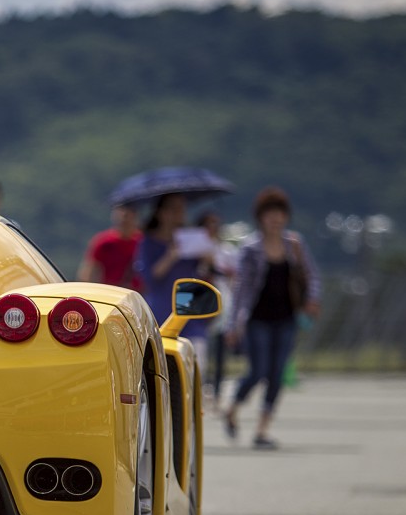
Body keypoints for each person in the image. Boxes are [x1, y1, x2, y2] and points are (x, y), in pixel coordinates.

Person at [223, 187, 320, 449]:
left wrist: (312, 299)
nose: (275, 219)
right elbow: (241, 289)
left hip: (286, 318)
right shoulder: (250, 248)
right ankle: (232, 408)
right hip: (257, 319)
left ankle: (262, 429)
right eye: (270, 214)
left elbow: (311, 276)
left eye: (279, 213)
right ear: (261, 217)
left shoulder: (295, 244)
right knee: (258, 371)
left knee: (277, 374)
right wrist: (233, 325)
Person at [133, 193, 210, 356]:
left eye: (182, 208)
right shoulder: (147, 242)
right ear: (160, 213)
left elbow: (204, 272)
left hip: (189, 312)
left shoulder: (192, 238)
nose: (179, 213)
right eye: (174, 209)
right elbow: (149, 278)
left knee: (196, 366)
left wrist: (208, 258)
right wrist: (171, 256)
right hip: (161, 313)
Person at [198, 211, 239, 410]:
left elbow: (235, 276)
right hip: (201, 299)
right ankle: (201, 387)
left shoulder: (226, 250)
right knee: (201, 347)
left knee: (220, 348)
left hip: (222, 299)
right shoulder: (196, 250)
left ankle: (216, 392)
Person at [76, 204, 141, 288]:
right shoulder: (104, 241)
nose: (124, 219)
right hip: (110, 291)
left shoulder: (141, 242)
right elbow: (88, 272)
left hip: (137, 294)